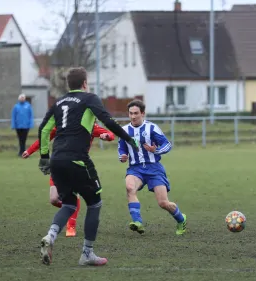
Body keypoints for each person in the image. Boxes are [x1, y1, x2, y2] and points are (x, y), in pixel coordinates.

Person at [37, 66, 140, 266]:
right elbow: (108, 121)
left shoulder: (59, 102)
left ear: (68, 84)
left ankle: (50, 236)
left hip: (57, 159)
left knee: (68, 203)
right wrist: (128, 139)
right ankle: (87, 253)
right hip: (77, 159)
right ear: (85, 84)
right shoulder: (89, 98)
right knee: (95, 203)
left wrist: (44, 157)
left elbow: (44, 129)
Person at [23, 122, 115, 237]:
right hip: (58, 164)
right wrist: (30, 150)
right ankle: (72, 208)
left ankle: (71, 225)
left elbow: (110, 134)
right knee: (54, 199)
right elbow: (45, 137)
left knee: (72, 196)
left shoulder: (89, 124)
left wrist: (107, 136)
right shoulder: (63, 123)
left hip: (77, 165)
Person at [119, 99, 187, 235]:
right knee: (129, 188)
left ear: (142, 113)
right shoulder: (124, 130)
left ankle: (181, 219)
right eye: (131, 113)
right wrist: (123, 156)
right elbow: (121, 149)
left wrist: (155, 150)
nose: (133, 116)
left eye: (136, 113)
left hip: (154, 168)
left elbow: (167, 145)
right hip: (135, 168)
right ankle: (137, 222)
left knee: (163, 203)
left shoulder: (152, 128)